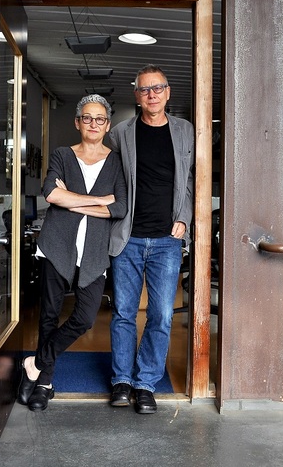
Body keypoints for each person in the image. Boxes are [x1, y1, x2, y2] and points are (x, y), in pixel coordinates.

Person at [18, 94, 127, 411]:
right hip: (56, 245)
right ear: (78, 122)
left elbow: (120, 207)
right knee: (49, 317)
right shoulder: (62, 155)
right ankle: (44, 384)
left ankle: (35, 364)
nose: (93, 124)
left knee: (85, 317)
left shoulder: (116, 162)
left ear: (107, 125)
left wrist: (73, 201)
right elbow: (51, 194)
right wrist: (99, 200)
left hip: (94, 252)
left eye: (100, 119)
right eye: (87, 118)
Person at [107, 64, 195, 414]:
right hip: (127, 237)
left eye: (158, 88)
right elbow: (108, 179)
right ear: (137, 95)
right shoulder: (120, 133)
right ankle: (121, 381)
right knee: (123, 313)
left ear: (168, 92)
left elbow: (191, 181)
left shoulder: (185, 131)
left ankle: (145, 383)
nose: (152, 94)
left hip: (167, 240)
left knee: (161, 315)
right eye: (145, 89)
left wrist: (184, 219)